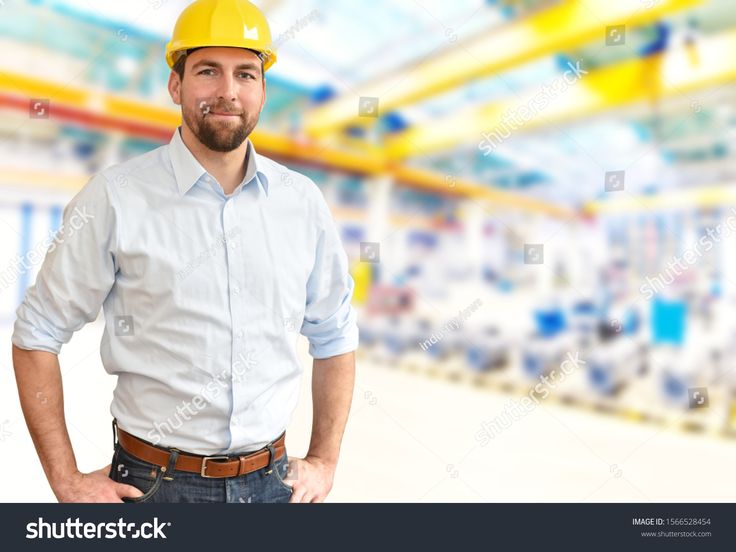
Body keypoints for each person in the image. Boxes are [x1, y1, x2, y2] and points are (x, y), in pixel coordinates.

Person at [11, 0, 358, 503]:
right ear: (176, 85)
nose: (228, 91)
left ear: (262, 89)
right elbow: (37, 334)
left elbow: (335, 333)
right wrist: (65, 479)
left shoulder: (301, 202)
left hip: (273, 486)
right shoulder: (115, 197)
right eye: (208, 71)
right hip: (153, 488)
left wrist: (324, 461)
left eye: (245, 73)